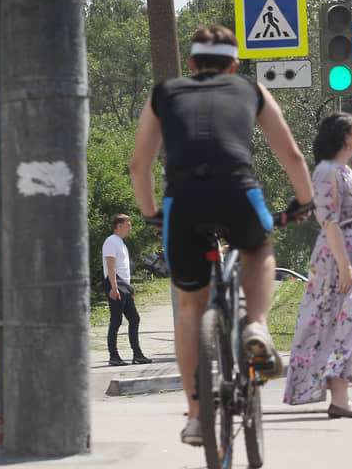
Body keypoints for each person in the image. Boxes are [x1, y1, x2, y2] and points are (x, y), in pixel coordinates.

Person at [130, 24, 314, 445]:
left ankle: (196, 416)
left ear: (191, 63)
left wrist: (151, 214)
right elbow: (292, 154)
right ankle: (257, 326)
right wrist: (303, 202)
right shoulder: (251, 90)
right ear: (234, 64)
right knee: (258, 245)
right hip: (237, 192)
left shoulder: (164, 92)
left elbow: (139, 165)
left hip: (183, 202)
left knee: (190, 309)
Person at [283, 112, 352, 419]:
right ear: (344, 137)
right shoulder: (326, 171)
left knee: (349, 323)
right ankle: (339, 398)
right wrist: (345, 266)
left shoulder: (342, 170)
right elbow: (328, 219)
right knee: (341, 323)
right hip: (340, 259)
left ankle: (341, 396)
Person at [102, 213, 152, 366]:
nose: (130, 228)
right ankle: (114, 356)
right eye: (128, 225)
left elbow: (122, 268)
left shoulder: (121, 243)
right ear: (119, 226)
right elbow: (111, 267)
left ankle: (137, 355)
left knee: (134, 318)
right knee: (116, 321)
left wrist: (129, 288)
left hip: (123, 286)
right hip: (114, 285)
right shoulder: (111, 241)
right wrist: (114, 288)